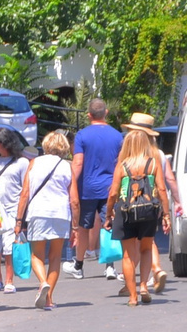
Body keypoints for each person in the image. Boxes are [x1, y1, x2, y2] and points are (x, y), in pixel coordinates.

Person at [103, 128, 172, 306]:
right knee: (146, 249)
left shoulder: (122, 165)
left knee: (127, 255)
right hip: (148, 211)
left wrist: (109, 213)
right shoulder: (153, 163)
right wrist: (166, 214)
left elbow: (112, 193)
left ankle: (132, 297)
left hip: (125, 212)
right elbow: (162, 190)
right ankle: (143, 286)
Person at [14, 130, 75, 309]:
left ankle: (42, 282)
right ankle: (49, 298)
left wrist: (19, 221)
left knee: (36, 255)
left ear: (46, 145)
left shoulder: (34, 163)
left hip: (38, 213)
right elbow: (75, 200)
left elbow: (24, 194)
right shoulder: (67, 166)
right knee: (55, 256)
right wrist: (77, 227)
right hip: (61, 213)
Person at [71, 98, 123, 281]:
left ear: (89, 115)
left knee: (83, 228)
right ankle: (110, 266)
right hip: (110, 187)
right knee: (108, 224)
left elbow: (78, 163)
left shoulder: (82, 136)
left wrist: (69, 184)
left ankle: (78, 265)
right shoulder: (118, 136)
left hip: (87, 188)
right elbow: (120, 164)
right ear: (106, 113)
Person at [0, 127, 30, 294]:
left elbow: (26, 188)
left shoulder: (22, 163)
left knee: (9, 246)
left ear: (4, 143)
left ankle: (9, 279)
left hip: (13, 209)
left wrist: (22, 216)